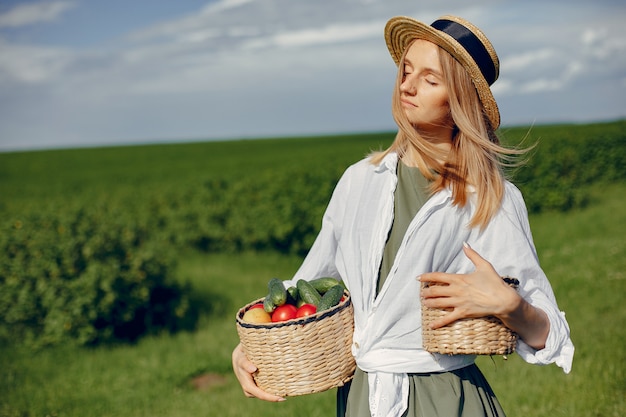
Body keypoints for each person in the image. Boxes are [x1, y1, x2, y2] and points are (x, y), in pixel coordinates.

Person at [232, 14, 574, 417]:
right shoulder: (359, 181)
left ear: (461, 100)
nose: (407, 86)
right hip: (362, 398)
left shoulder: (490, 199)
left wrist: (512, 307)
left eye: (430, 80)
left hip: (447, 401)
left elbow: (550, 334)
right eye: (406, 71)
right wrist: (255, 344)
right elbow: (308, 288)